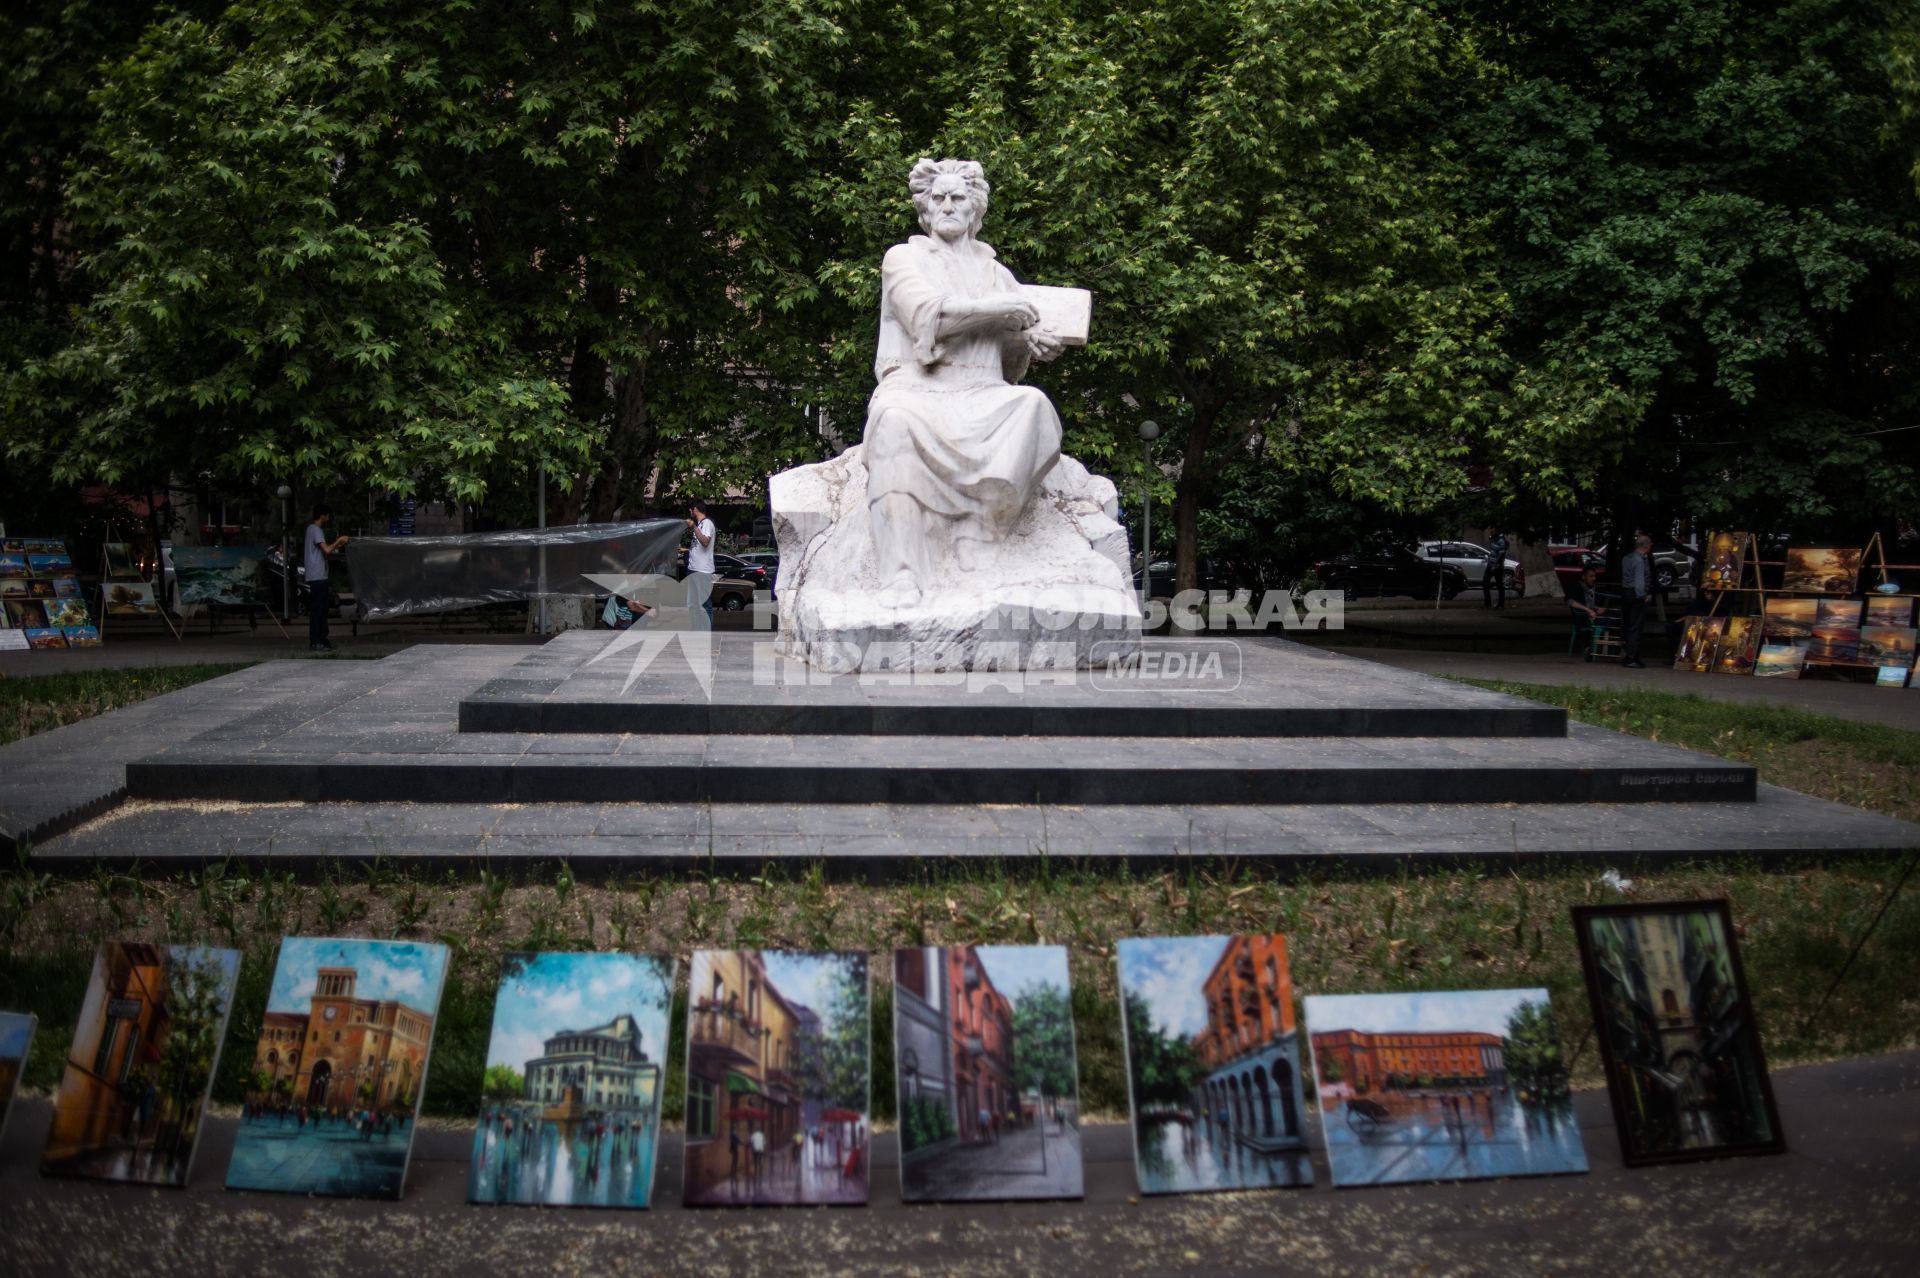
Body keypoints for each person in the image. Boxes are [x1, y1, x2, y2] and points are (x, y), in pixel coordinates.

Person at [864, 158, 1067, 605]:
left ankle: (979, 533)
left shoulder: (996, 274)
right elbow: (925, 313)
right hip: (918, 387)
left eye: (959, 198)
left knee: (1032, 405)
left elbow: (1011, 361)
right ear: (925, 208)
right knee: (894, 421)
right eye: (938, 198)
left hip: (983, 392)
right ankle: (902, 572)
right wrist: (1000, 311)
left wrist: (1031, 343)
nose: (948, 206)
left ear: (975, 209)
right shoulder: (904, 258)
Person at [303, 503, 350, 652]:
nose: (329, 518)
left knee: (322, 609)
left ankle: (322, 639)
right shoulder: (316, 530)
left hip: (317, 575)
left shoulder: (311, 530)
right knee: (318, 609)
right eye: (328, 515)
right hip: (317, 576)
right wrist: (339, 541)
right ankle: (316, 640)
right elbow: (327, 550)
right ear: (322, 515)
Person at [1621, 533, 1654, 667]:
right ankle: (1631, 658)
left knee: (1628, 624)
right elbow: (1639, 581)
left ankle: (1628, 654)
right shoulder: (1640, 561)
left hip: (1626, 592)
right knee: (1636, 627)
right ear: (1646, 546)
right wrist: (1643, 596)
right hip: (1636, 595)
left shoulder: (1627, 558)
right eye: (1650, 544)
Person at [685, 500, 716, 624]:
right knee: (693, 603)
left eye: (691, 510)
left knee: (705, 603)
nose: (690, 512)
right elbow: (699, 546)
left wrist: (693, 526)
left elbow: (705, 542)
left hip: (702, 570)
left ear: (695, 509)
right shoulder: (700, 524)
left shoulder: (707, 523)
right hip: (693, 568)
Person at [1482, 530, 1509, 609]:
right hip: (1490, 564)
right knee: (1485, 582)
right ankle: (1488, 604)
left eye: (1492, 531)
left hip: (1497, 566)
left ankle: (1501, 604)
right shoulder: (1494, 539)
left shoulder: (1501, 541)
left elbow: (1501, 553)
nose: (1491, 533)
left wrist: (1496, 564)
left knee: (1499, 585)